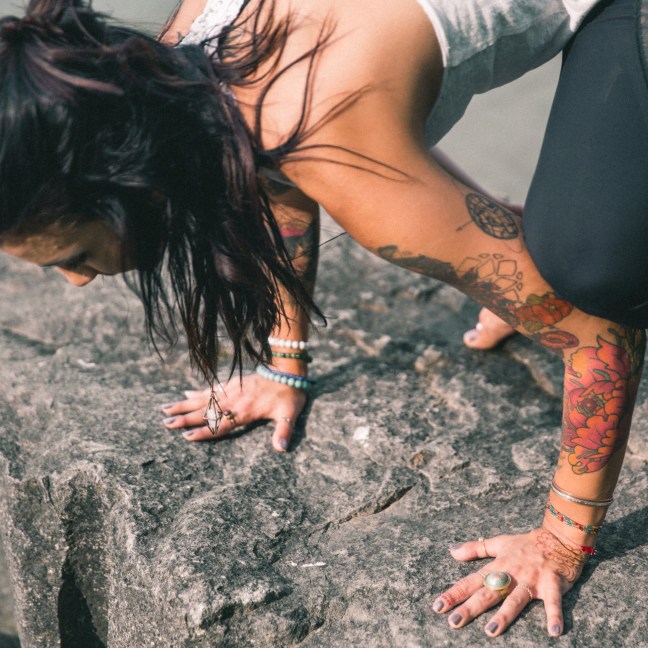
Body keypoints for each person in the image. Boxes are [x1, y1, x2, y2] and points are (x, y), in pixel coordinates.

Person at [0, 0, 645, 639]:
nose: (78, 280)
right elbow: (268, 168)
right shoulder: (181, 62)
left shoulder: (326, 145)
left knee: (590, 271)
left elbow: (596, 335)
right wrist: (286, 365)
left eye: (76, 254)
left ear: (125, 179)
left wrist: (560, 542)